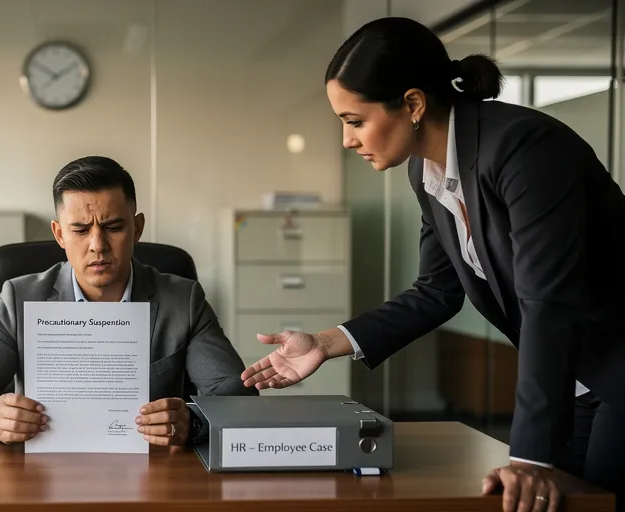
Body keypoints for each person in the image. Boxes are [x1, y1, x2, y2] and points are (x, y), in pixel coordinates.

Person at [241, 17, 625, 512]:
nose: (347, 141)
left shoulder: (524, 149)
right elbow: (436, 291)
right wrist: (326, 343)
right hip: (570, 379)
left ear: (414, 104)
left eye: (355, 121)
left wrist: (528, 456)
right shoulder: (427, 171)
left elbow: (546, 302)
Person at [0, 155, 257, 447]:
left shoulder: (182, 300)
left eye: (113, 227)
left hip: (152, 477)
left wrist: (192, 420)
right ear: (59, 234)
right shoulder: (20, 298)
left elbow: (237, 396)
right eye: (80, 229)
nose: (97, 245)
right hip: (41, 478)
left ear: (136, 228)